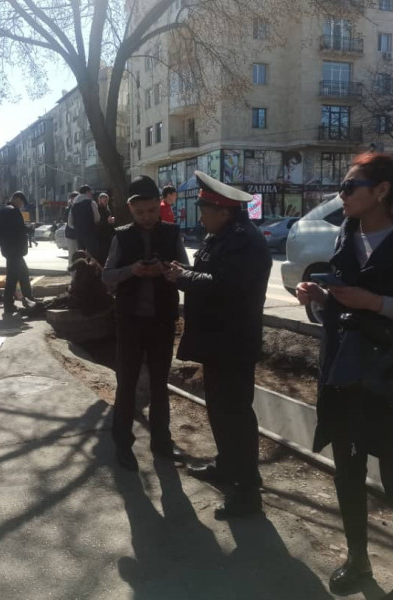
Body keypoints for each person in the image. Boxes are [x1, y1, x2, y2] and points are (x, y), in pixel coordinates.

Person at [295, 153, 393, 595]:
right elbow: (345, 301)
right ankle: (358, 561)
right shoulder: (347, 231)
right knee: (346, 470)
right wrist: (320, 296)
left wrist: (375, 303)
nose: (341, 196)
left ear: (381, 191)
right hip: (344, 371)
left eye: (350, 187)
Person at [164, 171, 272, 519]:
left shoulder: (243, 241)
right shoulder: (222, 236)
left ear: (223, 211)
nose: (201, 217)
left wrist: (182, 276)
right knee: (219, 409)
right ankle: (227, 466)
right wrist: (184, 271)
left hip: (233, 341)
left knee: (235, 414)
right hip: (218, 339)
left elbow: (224, 286)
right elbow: (210, 274)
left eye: (205, 210)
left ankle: (247, 490)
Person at [102, 175, 190, 471]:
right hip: (129, 321)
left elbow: (187, 270)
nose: (147, 217)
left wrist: (169, 270)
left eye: (152, 210)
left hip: (162, 321)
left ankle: (162, 442)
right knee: (126, 384)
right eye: (140, 212)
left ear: (159, 205)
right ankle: (122, 444)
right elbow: (107, 275)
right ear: (131, 209)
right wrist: (132, 270)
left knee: (159, 384)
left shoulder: (172, 233)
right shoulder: (121, 236)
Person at [0, 191, 36, 317]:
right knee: (12, 278)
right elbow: (19, 229)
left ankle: (28, 297)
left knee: (23, 274)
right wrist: (30, 228)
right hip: (14, 250)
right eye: (22, 202)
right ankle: (8, 305)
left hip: (9, 250)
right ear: (17, 199)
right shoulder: (13, 211)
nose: (22, 205)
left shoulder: (3, 210)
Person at [69, 185, 100, 258]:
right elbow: (97, 218)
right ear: (87, 192)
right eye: (90, 192)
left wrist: (77, 227)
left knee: (81, 254)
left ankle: (82, 265)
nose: (91, 194)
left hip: (79, 234)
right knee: (92, 254)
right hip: (90, 232)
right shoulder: (91, 203)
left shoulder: (73, 205)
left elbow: (70, 223)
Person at [96, 192, 116, 266]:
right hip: (101, 235)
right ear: (99, 200)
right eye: (105, 200)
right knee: (103, 254)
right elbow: (97, 222)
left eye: (107, 201)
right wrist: (107, 221)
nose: (106, 202)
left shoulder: (107, 208)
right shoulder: (98, 209)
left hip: (107, 234)